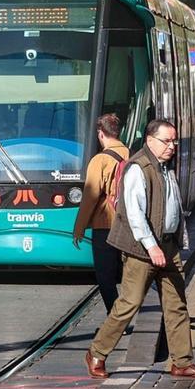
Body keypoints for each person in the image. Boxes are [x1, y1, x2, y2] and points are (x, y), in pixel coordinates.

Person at [85, 119, 195, 380]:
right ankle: (96, 352)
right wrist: (152, 246)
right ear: (149, 140)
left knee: (177, 304)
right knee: (129, 303)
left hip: (167, 246)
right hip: (142, 248)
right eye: (166, 141)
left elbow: (172, 205)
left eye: (174, 141)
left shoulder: (165, 166)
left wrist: (177, 239)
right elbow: (134, 214)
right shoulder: (138, 168)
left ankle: (182, 362)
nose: (172, 146)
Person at [72, 113, 129, 314]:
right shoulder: (131, 155)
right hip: (128, 224)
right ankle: (123, 314)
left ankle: (116, 319)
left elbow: (90, 196)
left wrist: (78, 228)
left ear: (100, 133)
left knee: (105, 276)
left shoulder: (100, 160)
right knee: (124, 273)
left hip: (105, 224)